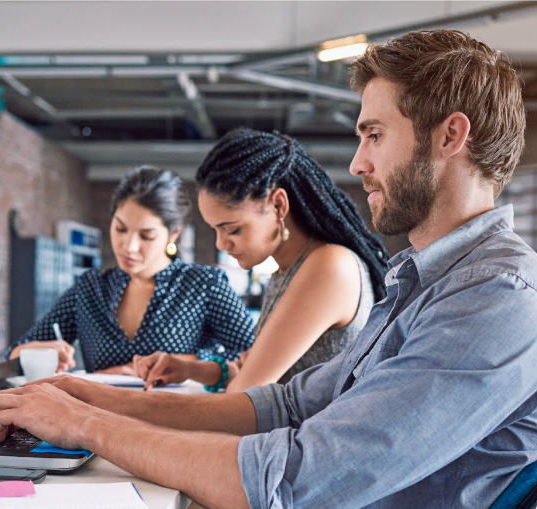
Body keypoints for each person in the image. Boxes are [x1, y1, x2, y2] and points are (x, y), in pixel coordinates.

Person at [0, 29, 537, 509]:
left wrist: (87, 426)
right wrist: (98, 401)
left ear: (451, 135)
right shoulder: (423, 284)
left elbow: (291, 485)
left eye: (374, 135)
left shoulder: (501, 303)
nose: (358, 163)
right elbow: (284, 406)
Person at [132, 128, 389, 392]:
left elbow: (244, 397)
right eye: (215, 230)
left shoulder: (329, 266)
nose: (221, 243)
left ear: (278, 205)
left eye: (232, 229)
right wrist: (189, 369)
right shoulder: (286, 271)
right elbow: (252, 375)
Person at [8, 165, 255, 375]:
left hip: (175, 424)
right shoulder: (90, 289)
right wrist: (42, 353)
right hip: (97, 423)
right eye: (121, 229)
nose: (129, 246)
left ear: (173, 234)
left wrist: (183, 365)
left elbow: (253, 358)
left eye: (146, 236)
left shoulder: (202, 284)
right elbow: (16, 354)